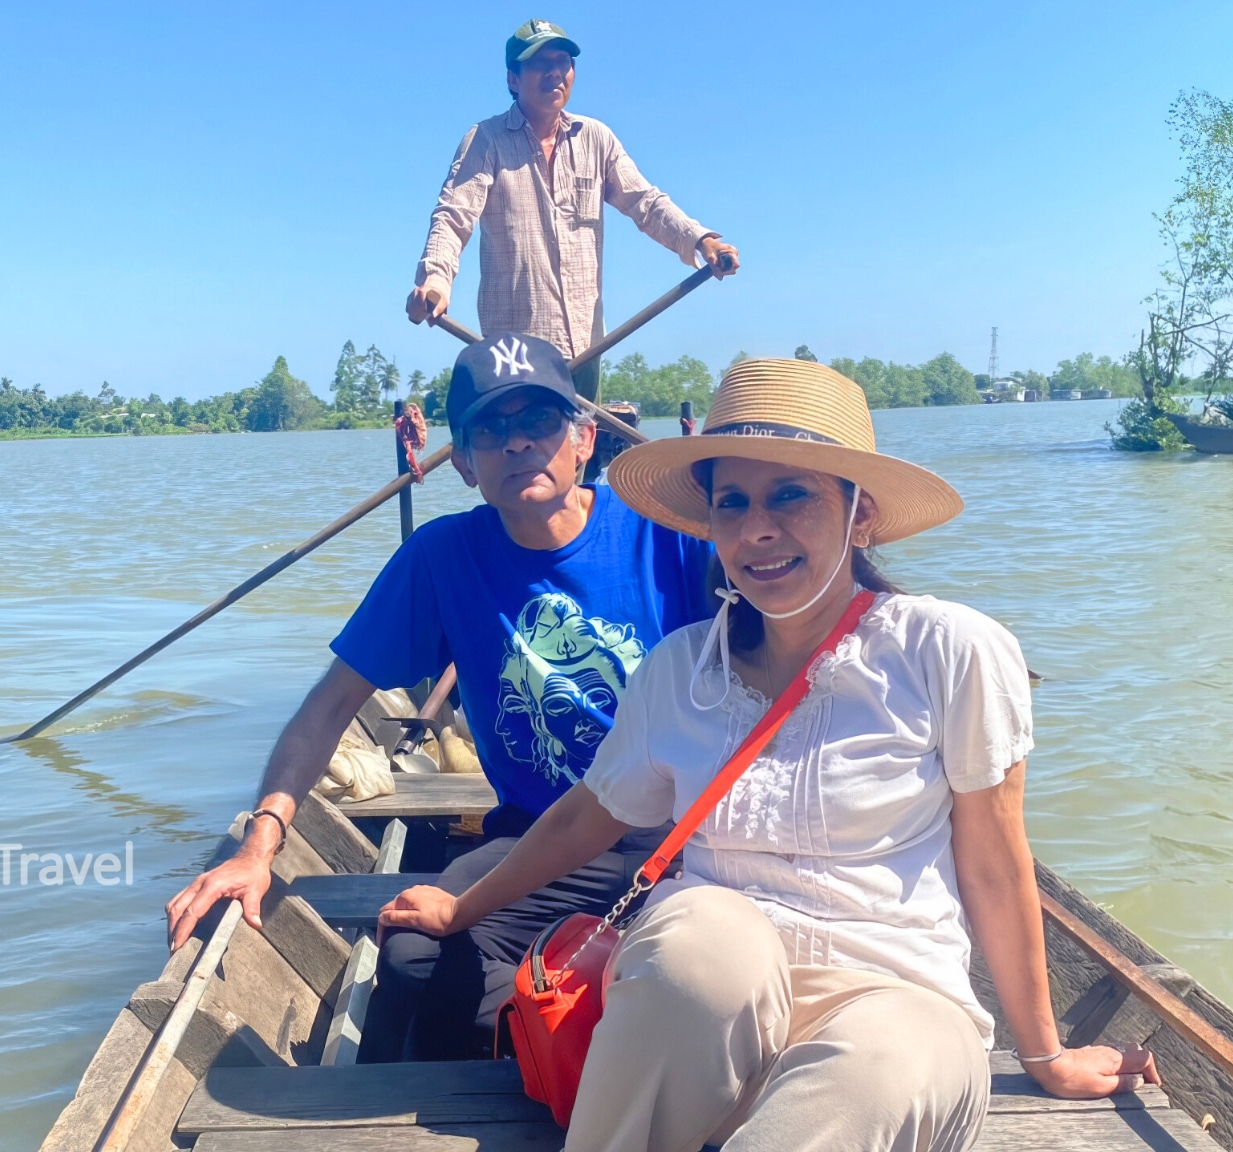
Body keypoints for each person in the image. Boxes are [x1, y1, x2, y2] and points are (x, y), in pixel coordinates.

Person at [382, 359, 1157, 1151]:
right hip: (709, 1013)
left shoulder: (948, 650)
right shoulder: (682, 669)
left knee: (877, 1063)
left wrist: (1046, 1054)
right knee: (695, 941)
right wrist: (461, 907)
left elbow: (996, 863)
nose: (756, 529)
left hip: (896, 993)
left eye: (791, 494)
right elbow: (586, 817)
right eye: (733, 503)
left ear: (862, 515)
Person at [164, 331, 714, 1062]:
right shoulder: (443, 557)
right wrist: (259, 844)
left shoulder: (668, 534)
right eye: (492, 428)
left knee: (701, 980)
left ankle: (578, 1031)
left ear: (583, 439)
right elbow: (330, 705)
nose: (519, 444)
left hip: (685, 835)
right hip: (538, 841)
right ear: (463, 463)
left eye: (539, 423)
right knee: (413, 959)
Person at [405, 19, 739, 400]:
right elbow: (453, 216)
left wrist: (700, 239)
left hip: (586, 346)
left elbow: (645, 202)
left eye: (563, 62)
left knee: (579, 454)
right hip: (515, 354)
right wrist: (435, 281)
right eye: (538, 63)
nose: (554, 72)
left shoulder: (596, 138)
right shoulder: (486, 140)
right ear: (513, 79)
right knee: (528, 455)